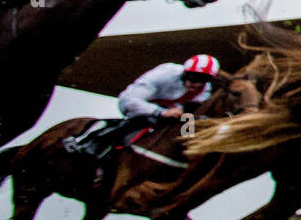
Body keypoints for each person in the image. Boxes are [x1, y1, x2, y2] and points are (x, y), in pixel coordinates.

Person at [63, 54, 221, 158]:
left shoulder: (204, 89)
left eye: (202, 80)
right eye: (193, 78)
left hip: (166, 111)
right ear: (185, 73)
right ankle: (85, 141)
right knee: (142, 121)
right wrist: (160, 112)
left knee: (189, 124)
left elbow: (190, 109)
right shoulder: (165, 74)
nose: (196, 84)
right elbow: (132, 100)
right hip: (136, 104)